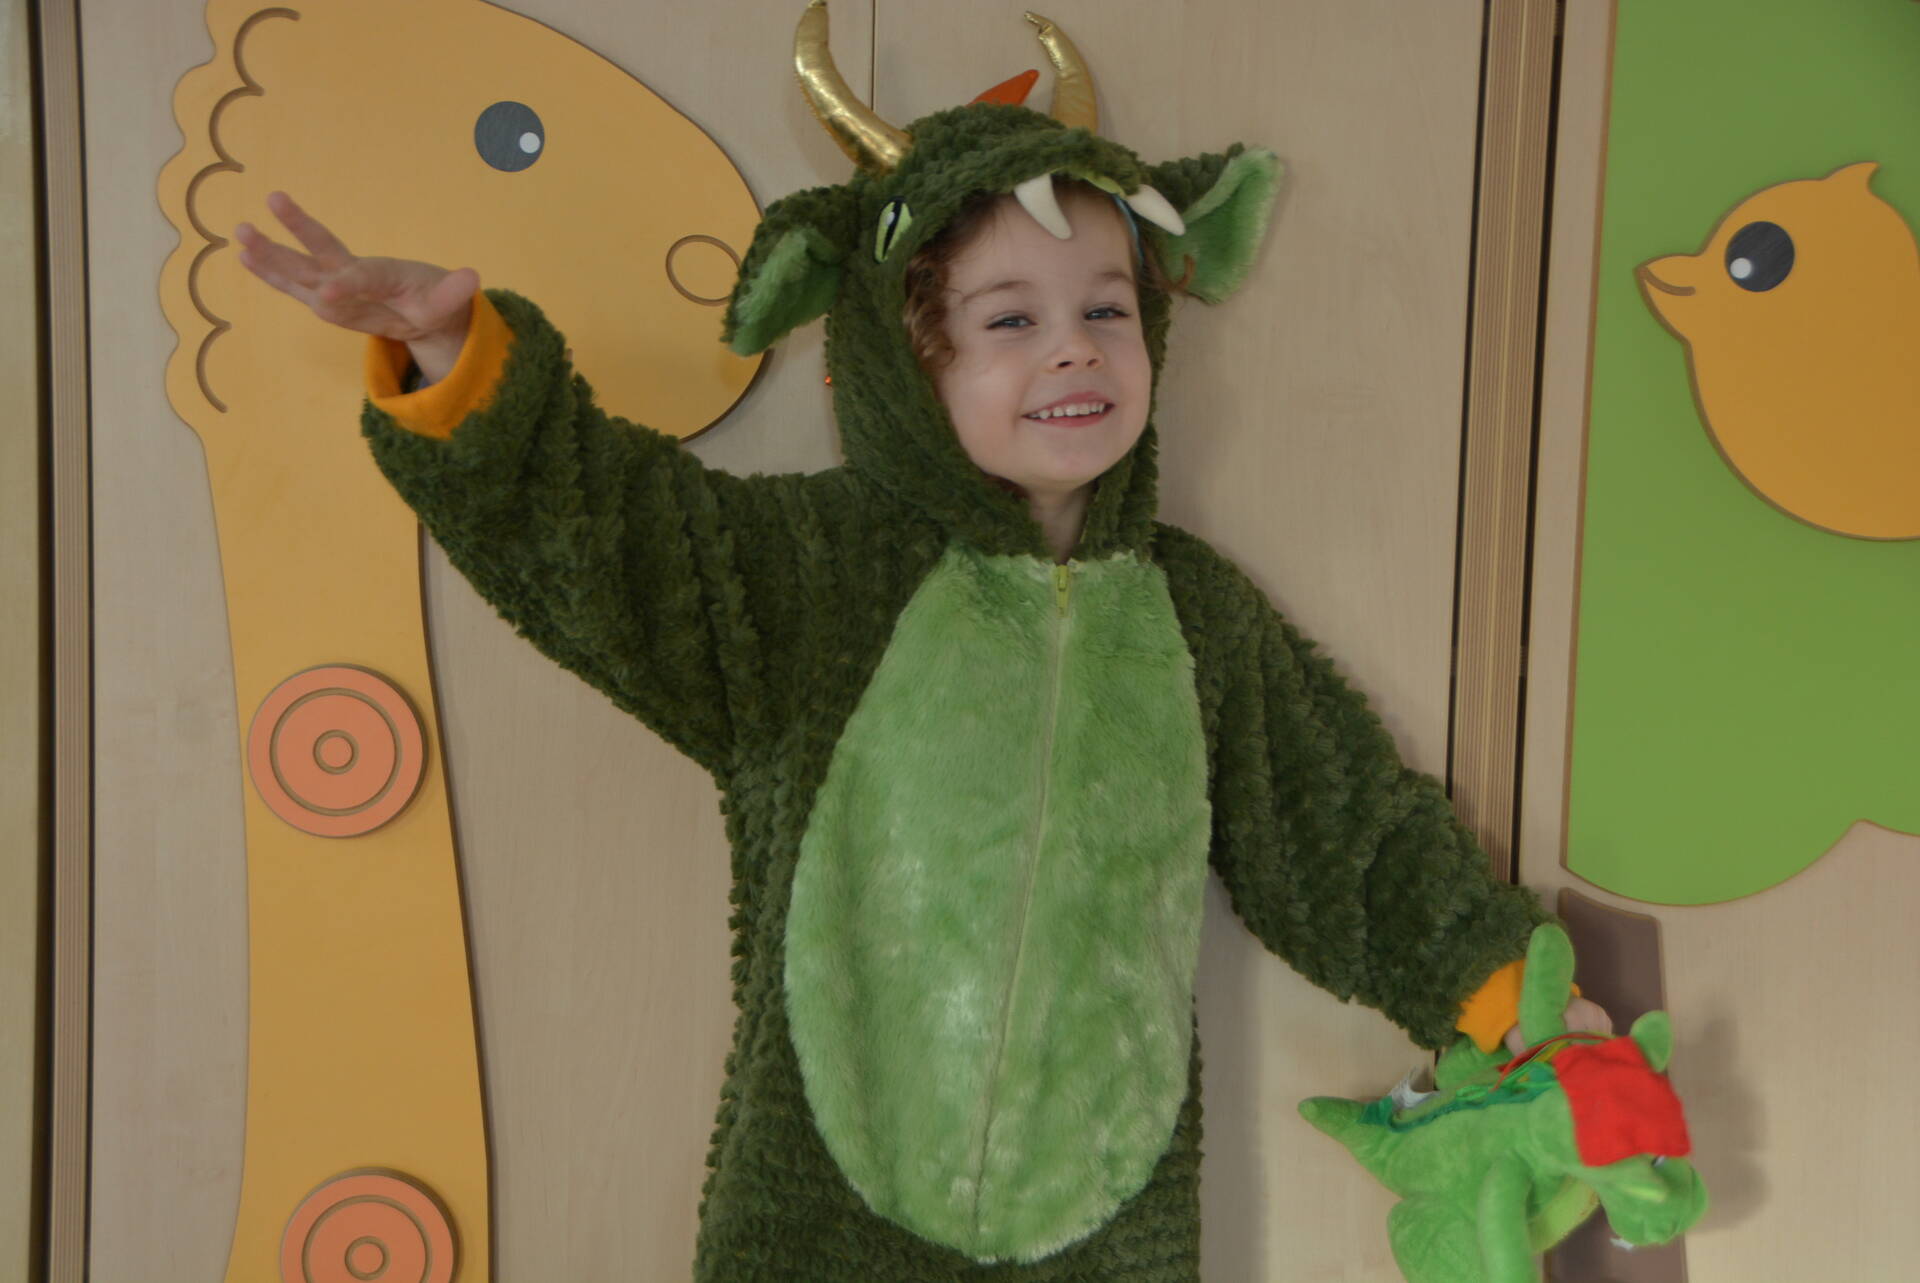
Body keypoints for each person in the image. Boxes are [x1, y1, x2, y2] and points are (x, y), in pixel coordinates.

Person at [236, 46, 1608, 1282]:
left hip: (1105, 1226)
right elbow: (613, 543)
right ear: (908, 359)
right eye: (1010, 321)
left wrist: (1509, 1000)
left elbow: (1342, 833)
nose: (1074, 349)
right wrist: (456, 361)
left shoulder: (1195, 618)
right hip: (820, 1215)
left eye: (1107, 310)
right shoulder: (813, 579)